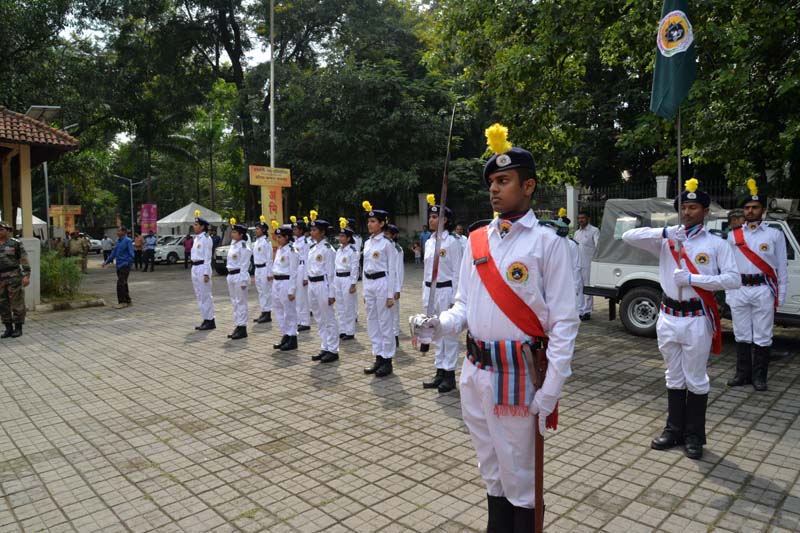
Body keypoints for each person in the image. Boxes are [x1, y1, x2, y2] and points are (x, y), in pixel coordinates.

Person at [410, 124, 579, 529]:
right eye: (491, 182)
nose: (494, 189)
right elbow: (463, 305)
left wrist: (551, 389)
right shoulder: (477, 241)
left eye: (504, 181)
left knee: (520, 474)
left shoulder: (548, 243)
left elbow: (564, 323)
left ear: (528, 186)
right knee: (490, 468)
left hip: (518, 378)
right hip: (474, 372)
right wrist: (437, 325)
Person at [622, 178, 740, 460]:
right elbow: (627, 236)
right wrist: (665, 232)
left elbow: (733, 279)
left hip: (697, 318)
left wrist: (693, 279)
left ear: (705, 211)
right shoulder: (668, 240)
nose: (687, 212)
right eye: (684, 207)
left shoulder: (716, 244)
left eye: (693, 207)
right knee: (673, 376)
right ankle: (674, 430)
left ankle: (694, 436)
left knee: (695, 378)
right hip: (668, 316)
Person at [726, 179, 788, 391]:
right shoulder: (733, 236)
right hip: (739, 288)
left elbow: (782, 267)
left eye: (755, 207)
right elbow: (728, 267)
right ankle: (742, 374)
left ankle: (759, 377)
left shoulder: (775, 235)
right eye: (747, 208)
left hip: (763, 289)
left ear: (763, 210)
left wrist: (780, 295)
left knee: (763, 334)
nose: (750, 211)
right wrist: (728, 293)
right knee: (741, 333)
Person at [420, 198, 463, 393]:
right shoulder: (430, 241)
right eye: (430, 217)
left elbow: (457, 272)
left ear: (445, 220)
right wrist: (424, 295)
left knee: (449, 334)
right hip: (431, 291)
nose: (431, 220)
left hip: (446, 291)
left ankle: (449, 374)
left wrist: (456, 299)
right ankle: (439, 371)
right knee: (436, 333)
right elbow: (426, 272)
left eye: (435, 217)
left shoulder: (452, 242)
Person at [361, 201, 398, 378]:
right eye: (369, 221)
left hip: (382, 282)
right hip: (369, 283)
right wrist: (364, 290)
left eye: (373, 221)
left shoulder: (387, 244)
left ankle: (387, 360)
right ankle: (378, 356)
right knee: (372, 322)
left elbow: (392, 270)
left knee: (385, 323)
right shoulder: (367, 243)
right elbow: (364, 268)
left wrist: (390, 295)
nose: (369, 224)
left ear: (382, 223)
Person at [307, 214, 340, 363]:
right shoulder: (312, 248)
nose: (312, 232)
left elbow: (331, 273)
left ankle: (333, 349)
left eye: (315, 230)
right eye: (311, 230)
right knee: (319, 318)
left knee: (328, 318)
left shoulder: (328, 249)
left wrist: (332, 293)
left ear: (322, 232)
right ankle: (325, 346)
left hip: (323, 284)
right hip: (312, 284)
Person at [0, 221, 31, 338]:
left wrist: (26, 275)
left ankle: (18, 328)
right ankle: (8, 328)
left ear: (7, 231)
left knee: (16, 303)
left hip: (14, 277)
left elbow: (24, 259)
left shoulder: (15, 243)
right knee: (2, 303)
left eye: (1, 230)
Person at [271, 223, 299, 351]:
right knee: (278, 309)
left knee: (289, 311)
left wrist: (292, 290)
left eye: (280, 237)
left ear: (287, 237)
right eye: (277, 237)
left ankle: (292, 337)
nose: (278, 239)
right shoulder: (280, 249)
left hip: (286, 282)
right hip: (277, 281)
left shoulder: (292, 250)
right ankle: (285, 334)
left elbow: (294, 271)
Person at [225, 220, 252, 340]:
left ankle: (242, 327)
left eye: (235, 232)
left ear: (241, 235)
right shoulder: (233, 245)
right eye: (232, 232)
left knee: (241, 302)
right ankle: (237, 325)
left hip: (239, 276)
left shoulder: (244, 247)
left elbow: (245, 265)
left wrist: (243, 281)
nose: (232, 234)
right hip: (231, 275)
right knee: (235, 302)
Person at [335, 218, 359, 341]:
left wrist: (353, 284)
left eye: (343, 236)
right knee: (340, 306)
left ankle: (350, 332)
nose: (340, 238)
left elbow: (355, 268)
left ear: (348, 238)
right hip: (338, 278)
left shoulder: (352, 251)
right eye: (339, 236)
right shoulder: (338, 250)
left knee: (348, 306)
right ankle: (342, 330)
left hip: (347, 279)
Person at [191, 213, 216, 330]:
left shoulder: (206, 239)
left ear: (202, 227)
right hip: (195, 267)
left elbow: (207, 257)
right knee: (199, 295)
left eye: (196, 225)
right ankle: (205, 318)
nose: (194, 226)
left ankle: (210, 320)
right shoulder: (196, 238)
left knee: (206, 295)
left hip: (202, 267)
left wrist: (206, 273)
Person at [574, 211, 599, 320]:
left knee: (587, 287)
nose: (581, 220)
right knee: (578, 287)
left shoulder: (594, 230)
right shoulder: (577, 233)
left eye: (583, 218)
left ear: (588, 218)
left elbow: (598, 247)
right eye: (579, 218)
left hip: (588, 263)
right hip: (577, 263)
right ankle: (580, 310)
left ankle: (587, 311)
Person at [102, 226, 134, 308]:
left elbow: (131, 254)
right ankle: (128, 301)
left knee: (120, 283)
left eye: (119, 231)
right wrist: (106, 262)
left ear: (124, 232)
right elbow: (114, 253)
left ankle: (122, 302)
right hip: (119, 265)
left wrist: (128, 263)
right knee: (124, 283)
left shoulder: (128, 241)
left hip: (125, 265)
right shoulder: (118, 241)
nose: (117, 232)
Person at [291, 216, 312, 332]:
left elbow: (307, 259)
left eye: (296, 229)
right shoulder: (295, 242)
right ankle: (299, 320)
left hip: (302, 268)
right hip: (295, 268)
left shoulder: (305, 242)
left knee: (302, 297)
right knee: (297, 297)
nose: (294, 231)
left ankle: (305, 322)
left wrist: (305, 277)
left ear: (301, 230)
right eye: (293, 229)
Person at [385, 223, 404, 348]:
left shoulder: (397, 249)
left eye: (387, 234)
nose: (385, 236)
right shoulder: (383, 246)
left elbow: (399, 270)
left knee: (394, 312)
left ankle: (395, 335)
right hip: (382, 283)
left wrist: (398, 289)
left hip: (393, 284)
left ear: (393, 235)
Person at [252, 217, 273, 324]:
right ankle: (263, 311)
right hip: (258, 269)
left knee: (266, 291)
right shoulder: (257, 242)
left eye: (258, 229)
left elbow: (269, 258)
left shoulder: (266, 242)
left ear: (263, 230)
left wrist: (269, 273)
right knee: (260, 291)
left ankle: (267, 313)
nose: (256, 230)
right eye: (256, 228)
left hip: (265, 269)